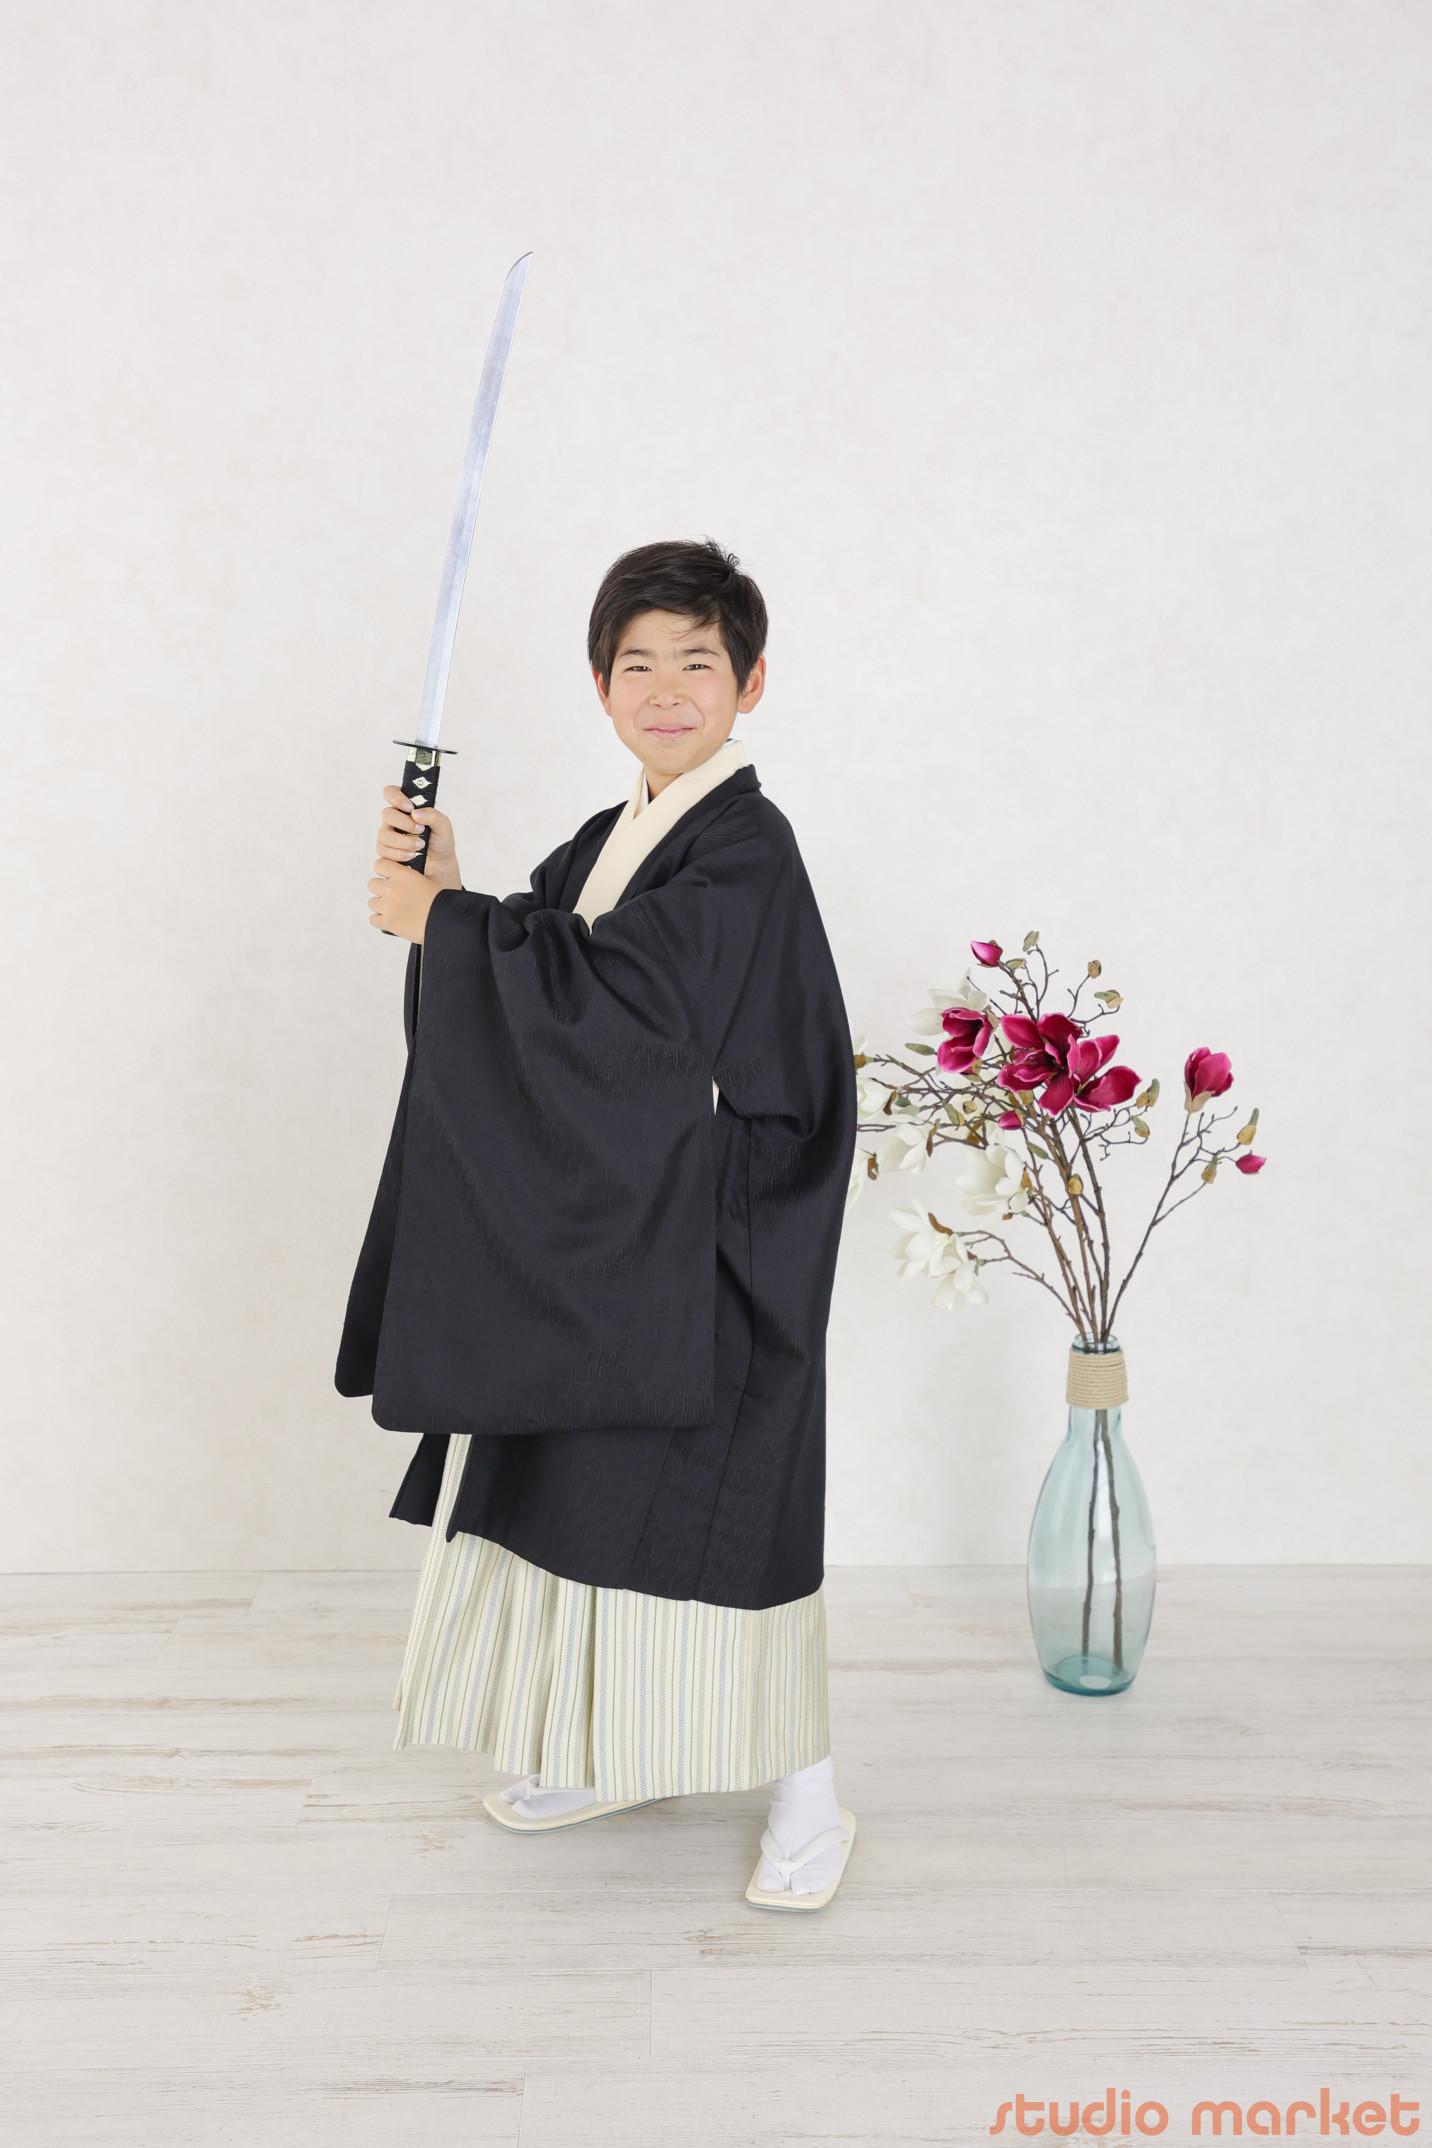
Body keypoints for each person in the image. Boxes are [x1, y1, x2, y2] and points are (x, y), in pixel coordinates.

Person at [337, 539, 857, 1908]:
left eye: (699, 662)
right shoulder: (613, 832)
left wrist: (448, 924)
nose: (667, 690)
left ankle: (810, 1795)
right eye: (639, 664)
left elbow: (628, 993)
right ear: (600, 684)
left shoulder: (746, 846)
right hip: (634, 1228)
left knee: (731, 1516)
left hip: (727, 1230)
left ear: (752, 683)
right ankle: (611, 1749)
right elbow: (544, 958)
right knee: (588, 1490)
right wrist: (457, 894)